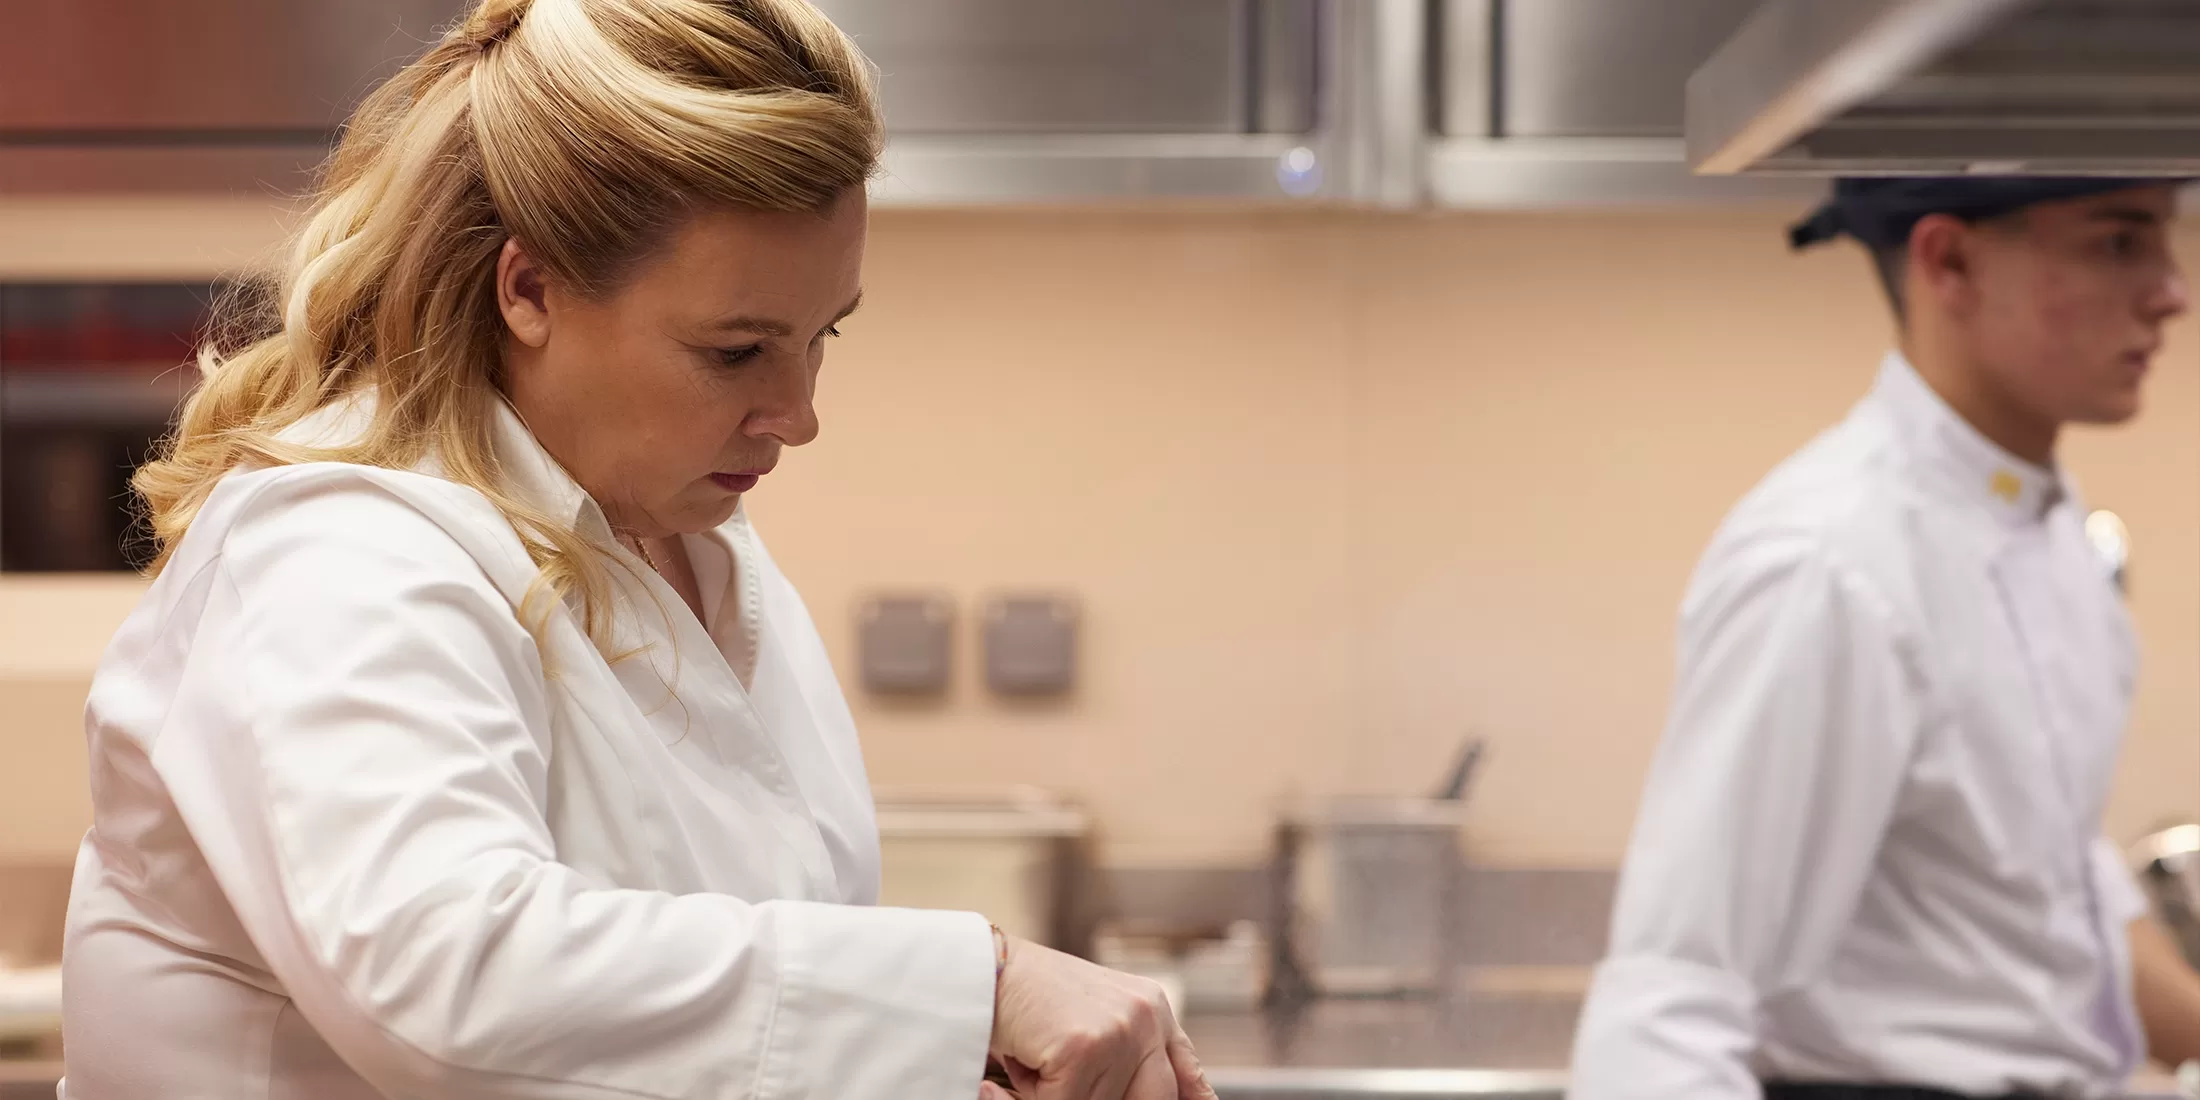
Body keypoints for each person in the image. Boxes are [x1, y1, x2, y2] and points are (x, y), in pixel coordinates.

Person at [57, 2, 1215, 1099]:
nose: (797, 411)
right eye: (736, 350)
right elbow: (449, 974)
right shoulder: (336, 550)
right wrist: (984, 985)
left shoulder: (688, 551)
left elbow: (706, 1013)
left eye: (821, 338)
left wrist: (932, 1056)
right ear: (529, 288)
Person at [1568, 177, 2200, 1100]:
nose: (2171, 290)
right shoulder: (1831, 564)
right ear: (1951, 262)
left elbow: (2051, 883)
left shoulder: (2054, 532)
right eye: (2118, 243)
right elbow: (1676, 1000)